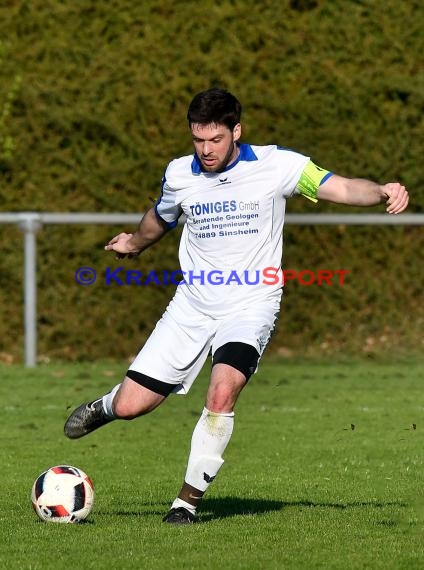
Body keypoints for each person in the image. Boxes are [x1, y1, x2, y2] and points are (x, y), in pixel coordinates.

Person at [64, 87, 409, 524]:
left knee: (223, 390)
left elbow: (339, 186)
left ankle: (185, 505)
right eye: (198, 140)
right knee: (135, 406)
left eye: (215, 140)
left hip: (252, 304)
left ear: (236, 131)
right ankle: (107, 406)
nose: (206, 150)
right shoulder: (179, 174)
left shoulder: (277, 165)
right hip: (192, 305)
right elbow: (161, 217)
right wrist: (133, 242)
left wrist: (380, 191)